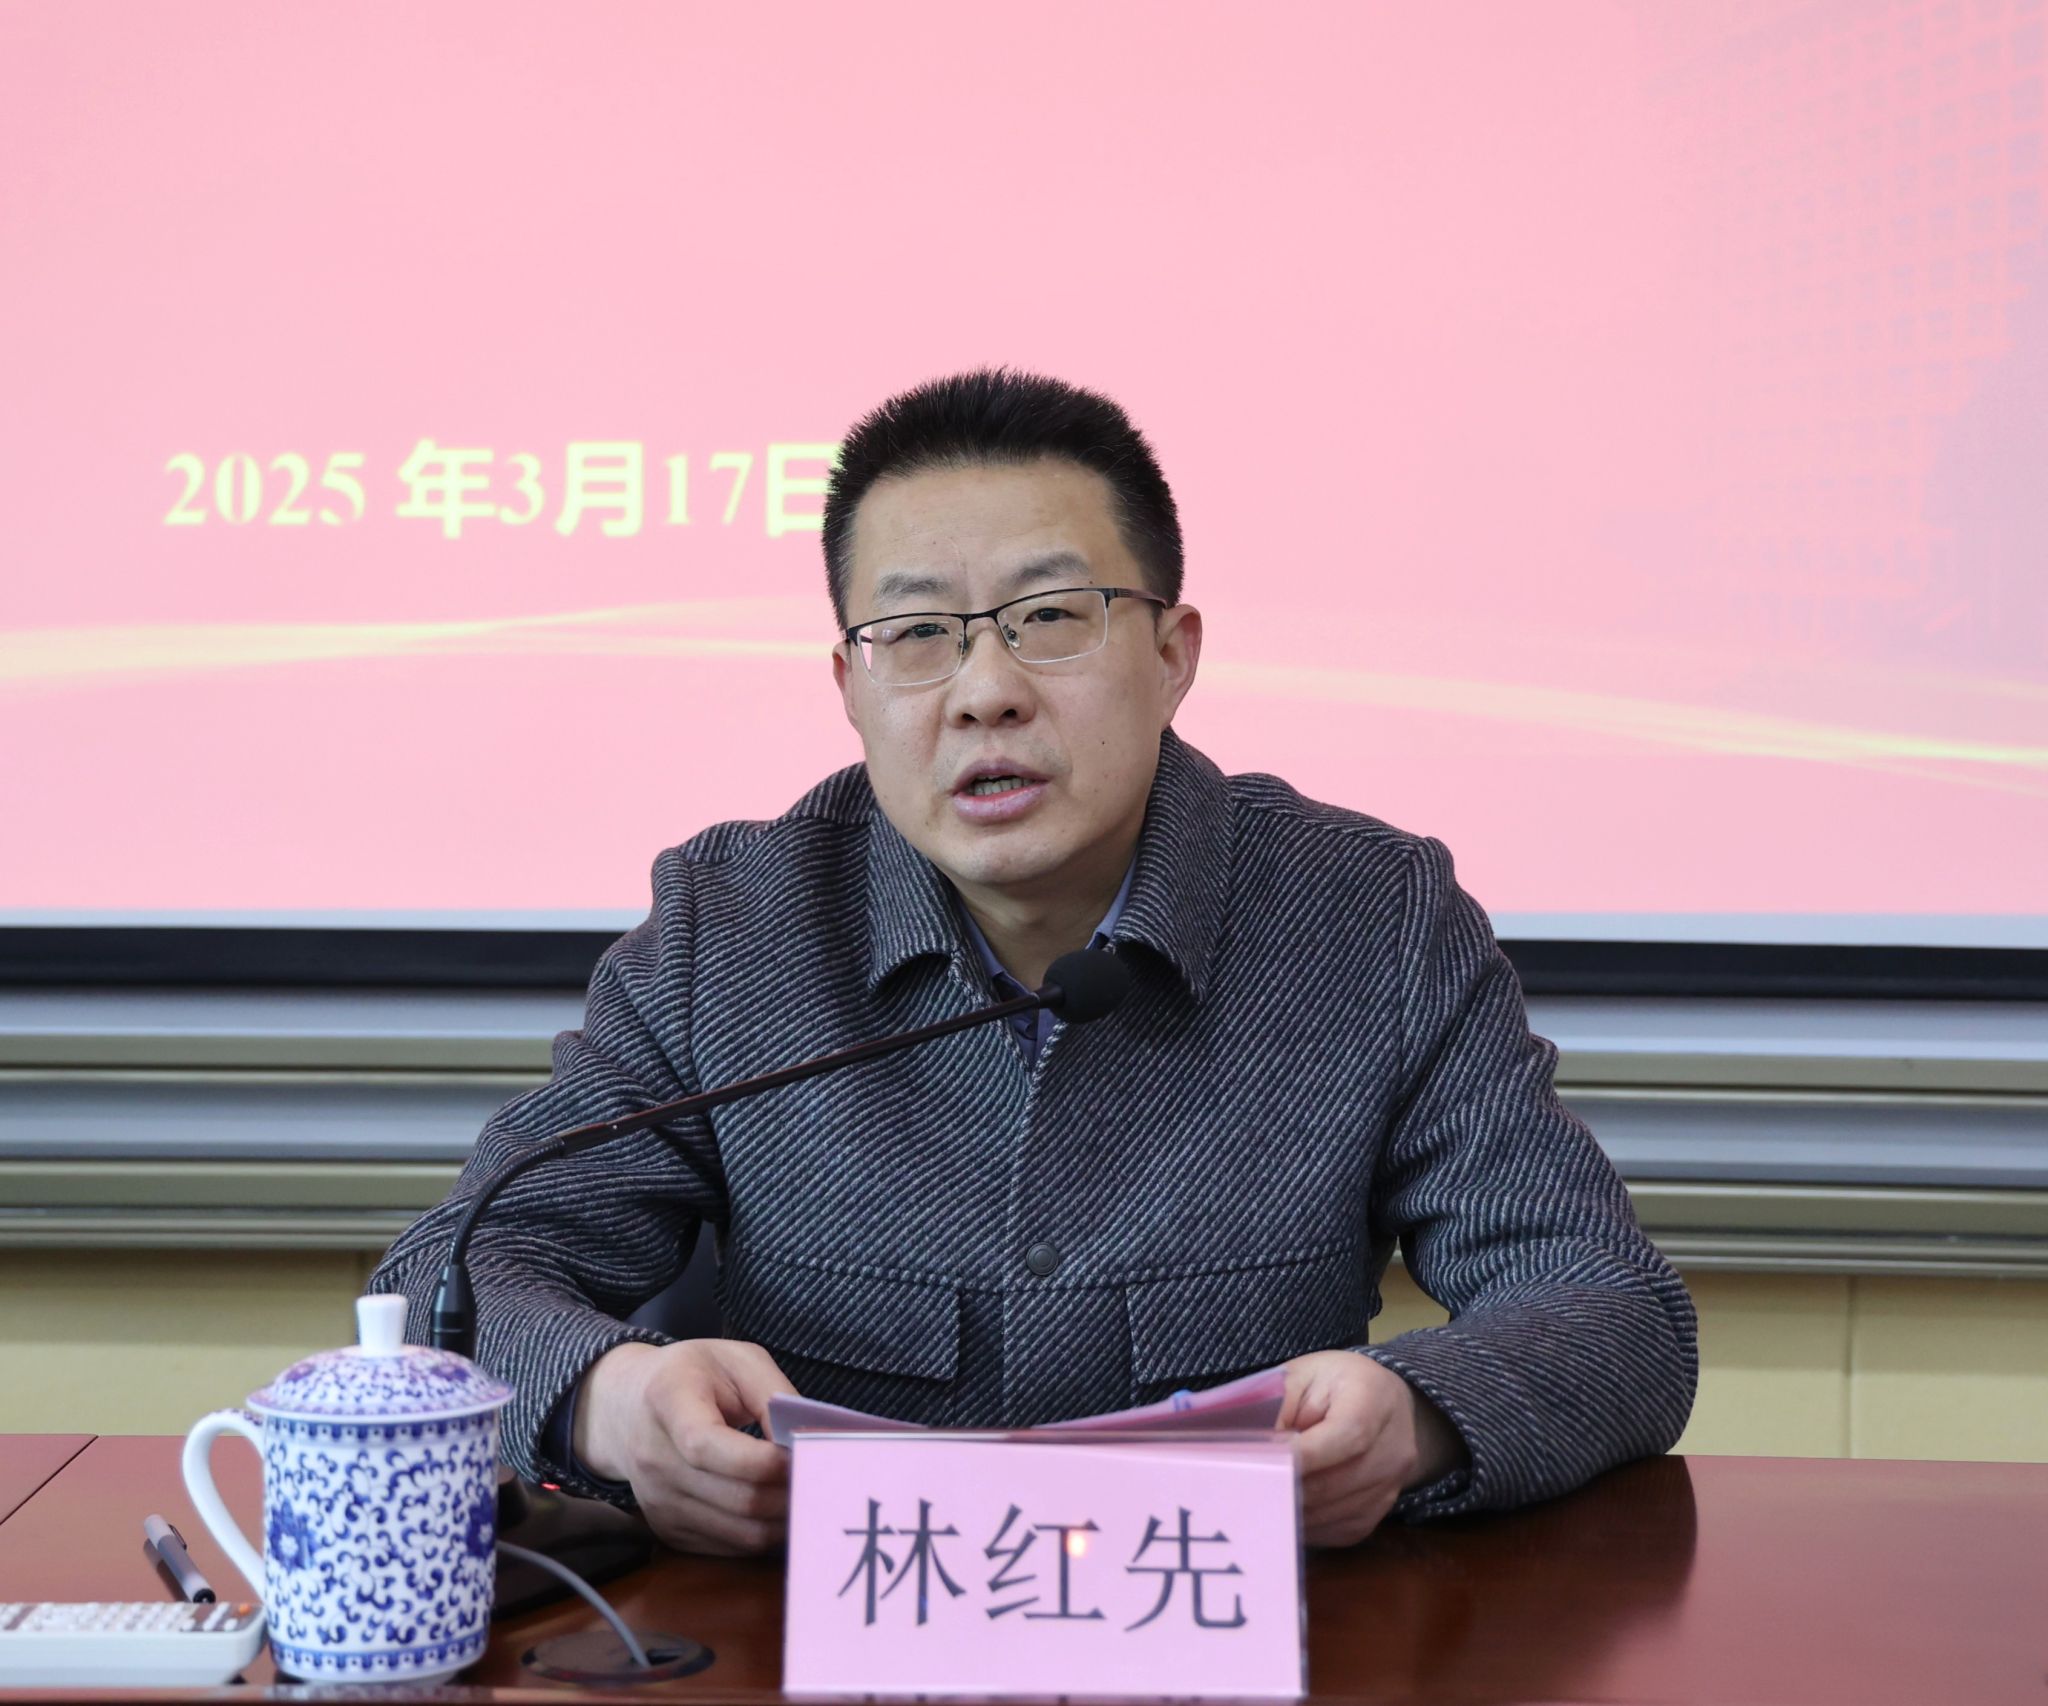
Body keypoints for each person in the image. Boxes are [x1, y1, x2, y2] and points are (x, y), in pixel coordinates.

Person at [371, 369, 1697, 1557]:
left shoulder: (1367, 919)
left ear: (1173, 654)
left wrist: (1416, 1418)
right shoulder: (736, 928)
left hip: (1243, 1638)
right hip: (823, 1644)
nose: (984, 690)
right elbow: (448, 1277)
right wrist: (613, 1403)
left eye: (1051, 616)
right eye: (918, 635)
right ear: (849, 685)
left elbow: (1614, 1307)